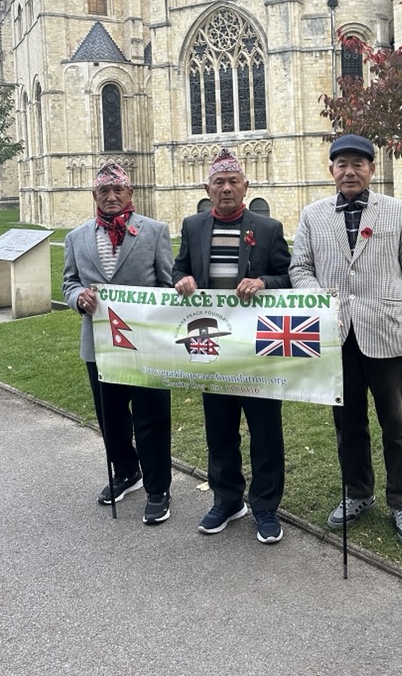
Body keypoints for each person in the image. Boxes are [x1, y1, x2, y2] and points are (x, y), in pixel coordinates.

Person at [289, 135, 402, 547]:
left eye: (358, 164)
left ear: (371, 169)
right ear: (331, 170)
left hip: (387, 334)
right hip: (337, 337)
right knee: (347, 424)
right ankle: (358, 493)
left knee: (398, 424)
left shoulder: (398, 212)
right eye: (341, 164)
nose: (349, 171)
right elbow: (299, 267)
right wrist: (320, 299)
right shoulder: (313, 215)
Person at [172, 148, 291, 544]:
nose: (226, 189)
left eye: (233, 182)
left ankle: (265, 507)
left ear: (245, 186)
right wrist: (182, 280)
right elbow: (179, 267)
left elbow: (286, 277)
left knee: (265, 432)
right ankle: (227, 499)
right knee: (220, 431)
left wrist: (263, 284)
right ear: (207, 188)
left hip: (258, 352)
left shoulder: (268, 228)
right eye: (218, 183)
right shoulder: (192, 226)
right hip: (213, 349)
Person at [63, 162, 174, 525]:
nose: (111, 198)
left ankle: (158, 488)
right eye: (103, 192)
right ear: (94, 196)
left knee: (151, 417)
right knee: (110, 417)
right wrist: (79, 297)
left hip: (146, 346)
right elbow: (69, 282)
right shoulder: (77, 237)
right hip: (99, 345)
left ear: (130, 194)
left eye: (118, 191)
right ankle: (127, 472)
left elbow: (168, 284)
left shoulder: (154, 232)